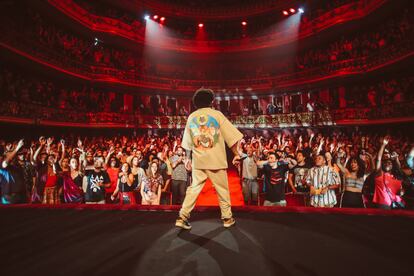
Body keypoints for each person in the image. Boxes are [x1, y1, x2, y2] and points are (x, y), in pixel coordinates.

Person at [175, 88, 243, 230]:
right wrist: (237, 153)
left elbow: (187, 142)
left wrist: (188, 159)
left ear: (196, 102)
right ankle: (227, 218)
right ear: (211, 101)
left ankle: (182, 216)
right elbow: (231, 137)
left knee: (193, 189)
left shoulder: (191, 117)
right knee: (222, 190)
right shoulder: (217, 115)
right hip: (216, 160)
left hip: (198, 161)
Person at [372, 138, 404, 209]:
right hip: (384, 205)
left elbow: (401, 190)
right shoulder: (380, 174)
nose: (387, 164)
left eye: (390, 163)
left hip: (397, 204)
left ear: (393, 166)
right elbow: (378, 159)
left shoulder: (395, 177)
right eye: (385, 163)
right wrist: (383, 145)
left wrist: (401, 192)